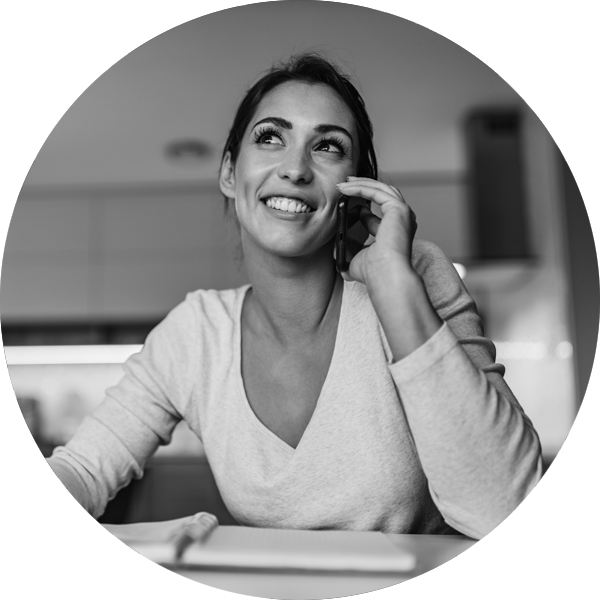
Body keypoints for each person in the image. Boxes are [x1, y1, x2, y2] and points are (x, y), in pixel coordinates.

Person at [48, 50, 540, 545]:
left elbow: (499, 506)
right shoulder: (195, 333)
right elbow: (82, 472)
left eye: (327, 147)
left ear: (357, 188)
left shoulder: (416, 277)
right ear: (228, 173)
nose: (296, 169)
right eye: (270, 138)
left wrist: (393, 285)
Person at [385, 0, 600, 160]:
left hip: (547, 42)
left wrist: (565, 106)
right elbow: (413, 29)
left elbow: (596, 16)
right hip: (461, 43)